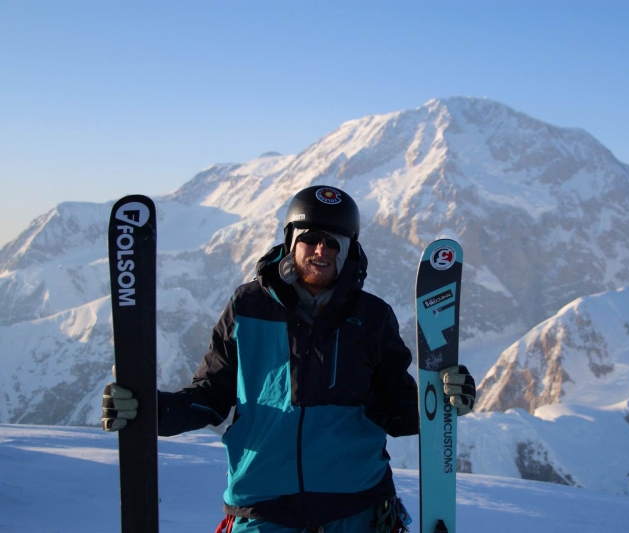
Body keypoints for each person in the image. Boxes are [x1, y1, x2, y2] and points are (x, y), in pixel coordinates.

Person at [101, 185, 476, 533]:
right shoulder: (246, 307)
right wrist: (151, 411)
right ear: (290, 242)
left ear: (349, 250)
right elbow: (210, 397)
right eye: (310, 239)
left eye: (333, 242)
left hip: (356, 511)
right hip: (262, 510)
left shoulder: (372, 318)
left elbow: (399, 411)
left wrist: (444, 400)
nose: (321, 250)